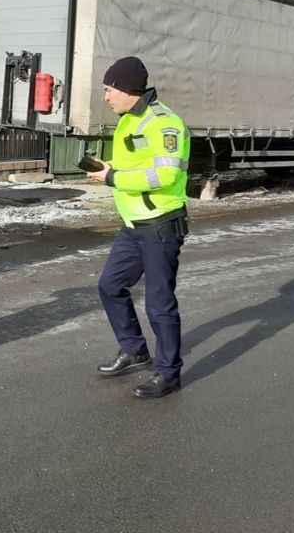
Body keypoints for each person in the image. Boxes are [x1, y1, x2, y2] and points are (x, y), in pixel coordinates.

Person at [85, 56, 191, 399]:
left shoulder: (165, 123)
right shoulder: (129, 120)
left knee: (159, 304)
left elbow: (166, 174)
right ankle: (134, 349)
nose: (106, 97)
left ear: (127, 88)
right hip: (133, 225)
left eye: (108, 90)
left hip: (160, 225)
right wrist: (108, 167)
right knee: (110, 285)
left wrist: (113, 177)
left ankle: (168, 372)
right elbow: (136, 163)